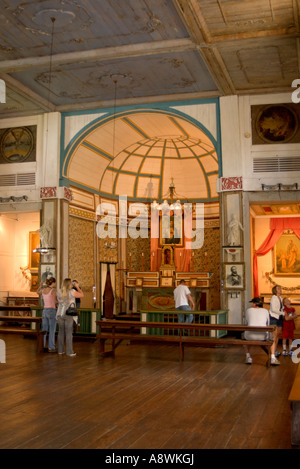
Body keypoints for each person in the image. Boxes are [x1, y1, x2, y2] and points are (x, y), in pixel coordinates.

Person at [56, 278, 84, 357]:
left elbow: (57, 301)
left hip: (60, 314)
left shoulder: (58, 291)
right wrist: (77, 286)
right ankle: (69, 351)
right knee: (69, 333)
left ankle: (60, 350)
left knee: (60, 332)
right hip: (68, 314)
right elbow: (82, 295)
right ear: (70, 284)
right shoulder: (72, 292)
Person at [243, 297, 270, 364]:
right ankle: (271, 357)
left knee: (243, 337)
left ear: (254, 304)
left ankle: (248, 356)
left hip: (250, 336)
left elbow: (246, 322)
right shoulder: (266, 311)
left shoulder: (248, 310)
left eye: (251, 303)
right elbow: (268, 323)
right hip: (262, 335)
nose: (251, 304)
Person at [37, 277, 57, 352]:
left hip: (44, 310)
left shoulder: (43, 290)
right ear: (53, 283)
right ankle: (51, 347)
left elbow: (37, 292)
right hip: (52, 310)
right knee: (52, 329)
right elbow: (55, 301)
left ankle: (42, 345)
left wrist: (40, 286)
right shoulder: (53, 290)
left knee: (44, 329)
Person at [269, 284, 284, 365]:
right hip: (274, 318)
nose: (280, 289)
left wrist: (284, 311)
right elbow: (274, 309)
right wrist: (283, 313)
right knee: (274, 336)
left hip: (280, 318)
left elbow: (281, 308)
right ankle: (272, 356)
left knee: (278, 335)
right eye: (278, 288)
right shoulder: (273, 298)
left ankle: (274, 350)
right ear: (275, 290)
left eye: (280, 288)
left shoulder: (281, 298)